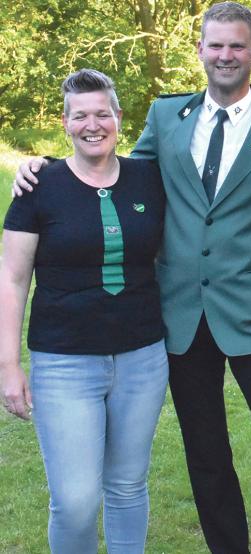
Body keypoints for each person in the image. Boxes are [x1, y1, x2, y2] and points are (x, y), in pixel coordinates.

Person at [13, 3, 251, 552]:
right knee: (206, 455)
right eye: (215, 45)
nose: (225, 55)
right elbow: (116, 175)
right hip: (179, 319)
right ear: (200, 51)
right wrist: (45, 167)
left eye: (236, 45)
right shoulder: (167, 117)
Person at [0, 69, 169, 552]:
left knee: (128, 486)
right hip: (64, 362)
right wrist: (8, 366)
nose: (92, 125)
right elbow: (12, 279)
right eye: (80, 116)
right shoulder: (39, 186)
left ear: (118, 117)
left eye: (102, 113)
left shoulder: (148, 178)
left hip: (142, 358)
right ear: (65, 122)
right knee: (74, 499)